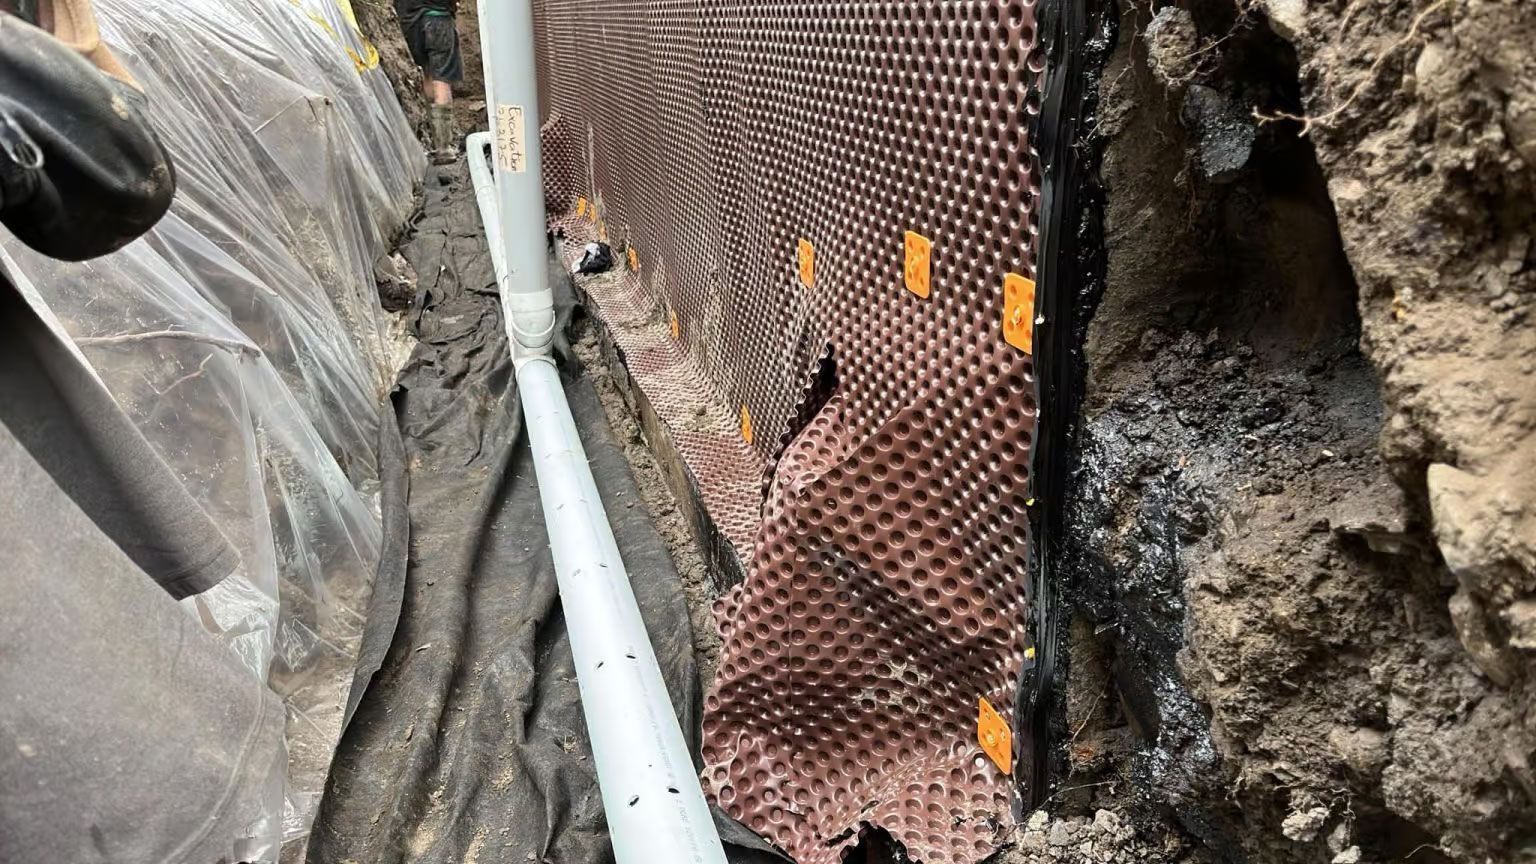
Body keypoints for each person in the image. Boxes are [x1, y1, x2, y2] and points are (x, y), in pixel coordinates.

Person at [395, 0, 462, 164]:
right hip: (438, 18)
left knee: (428, 72)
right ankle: (443, 148)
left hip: (411, 23)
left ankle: (436, 140)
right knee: (441, 78)